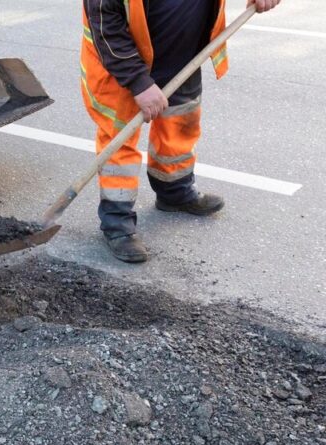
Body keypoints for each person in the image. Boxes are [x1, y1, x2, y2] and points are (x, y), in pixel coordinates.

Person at [81, 0, 280, 263]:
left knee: (179, 124)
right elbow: (107, 28)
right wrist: (138, 82)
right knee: (119, 144)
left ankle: (174, 191)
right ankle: (117, 223)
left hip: (183, 57)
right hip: (124, 66)